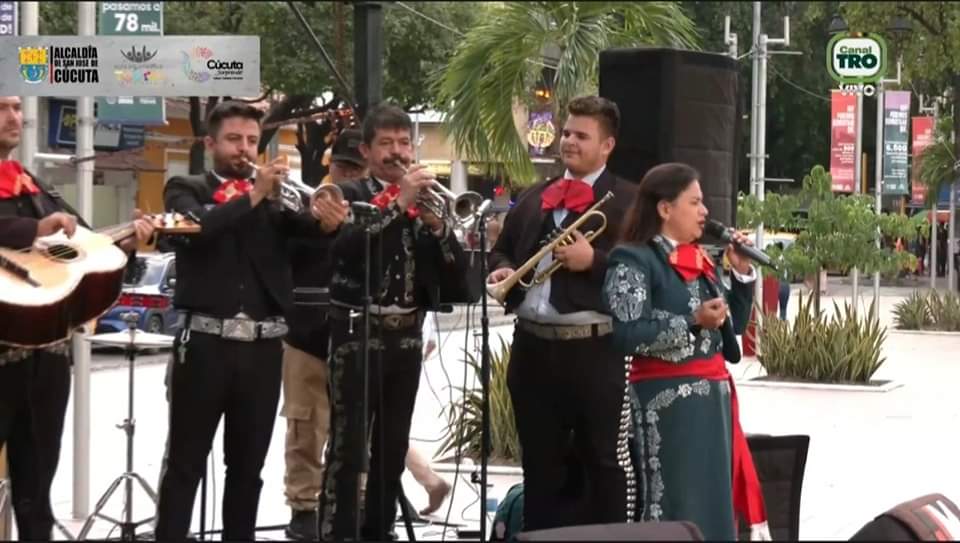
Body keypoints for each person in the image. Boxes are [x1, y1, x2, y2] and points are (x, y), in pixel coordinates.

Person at [155, 100, 346, 540]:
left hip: (262, 351)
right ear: (210, 143)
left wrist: (326, 226)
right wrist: (254, 194)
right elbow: (198, 229)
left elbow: (304, 240)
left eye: (251, 140)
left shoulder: (275, 199)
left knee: (247, 469)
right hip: (203, 347)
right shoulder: (186, 187)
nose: (244, 149)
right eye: (233, 140)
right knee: (185, 464)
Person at [0, 95, 155, 540]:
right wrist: (31, 230)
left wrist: (126, 243)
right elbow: (39, 233)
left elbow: (84, 242)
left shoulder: (31, 183)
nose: (15, 116)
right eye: (2, 108)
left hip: (45, 361)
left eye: (16, 107)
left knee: (36, 495)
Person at [318, 103, 471, 541]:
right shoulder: (346, 195)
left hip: (406, 336)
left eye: (404, 142)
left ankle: (378, 531)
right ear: (366, 150)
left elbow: (457, 274)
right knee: (348, 452)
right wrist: (398, 202)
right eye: (386, 143)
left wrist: (440, 230)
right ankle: (338, 535)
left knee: (391, 449)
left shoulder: (423, 199)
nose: (397, 152)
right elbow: (348, 250)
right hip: (355, 332)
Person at [487, 95, 638, 531]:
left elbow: (646, 273)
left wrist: (594, 261)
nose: (569, 141)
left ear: (607, 145)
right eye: (566, 132)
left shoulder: (629, 199)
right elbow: (502, 249)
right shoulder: (535, 195)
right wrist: (502, 269)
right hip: (533, 347)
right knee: (539, 466)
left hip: (594, 349)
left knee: (604, 463)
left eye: (581, 136)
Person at [600, 162, 769, 541]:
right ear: (665, 208)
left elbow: (732, 328)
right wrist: (692, 321)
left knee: (714, 501)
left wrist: (741, 277)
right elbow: (627, 334)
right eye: (694, 202)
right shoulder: (633, 260)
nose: (705, 212)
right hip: (666, 406)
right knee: (673, 500)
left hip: (713, 404)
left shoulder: (701, 260)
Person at [281, 128, 364, 541]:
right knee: (304, 426)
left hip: (354, 331)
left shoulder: (367, 209)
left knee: (356, 428)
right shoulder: (301, 203)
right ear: (330, 166)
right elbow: (284, 253)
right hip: (305, 334)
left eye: (355, 168)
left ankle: (353, 502)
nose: (347, 175)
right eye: (342, 166)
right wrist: (318, 222)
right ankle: (303, 507)